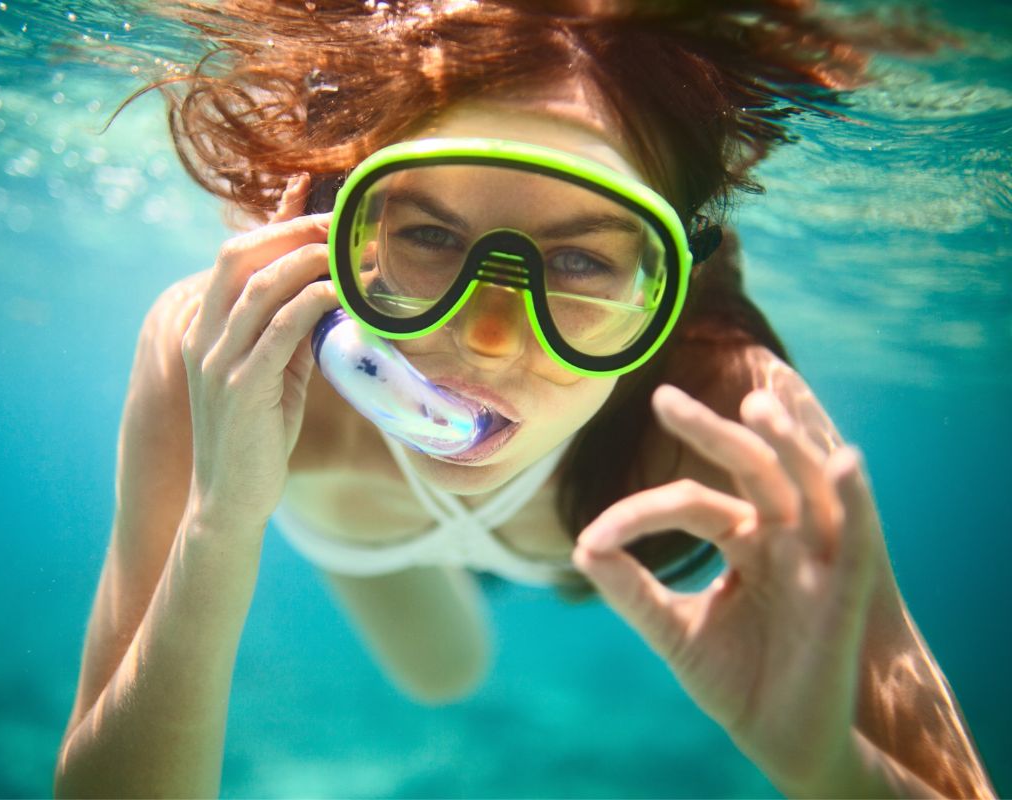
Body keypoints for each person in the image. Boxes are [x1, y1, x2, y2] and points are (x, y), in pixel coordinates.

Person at [54, 1, 996, 796]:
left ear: (667, 284)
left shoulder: (728, 408)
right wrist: (220, 525)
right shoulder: (225, 350)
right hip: (369, 543)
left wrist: (835, 771)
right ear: (343, 224)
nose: (491, 336)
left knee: (447, 672)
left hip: (553, 535)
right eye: (428, 234)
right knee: (443, 674)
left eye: (581, 259)